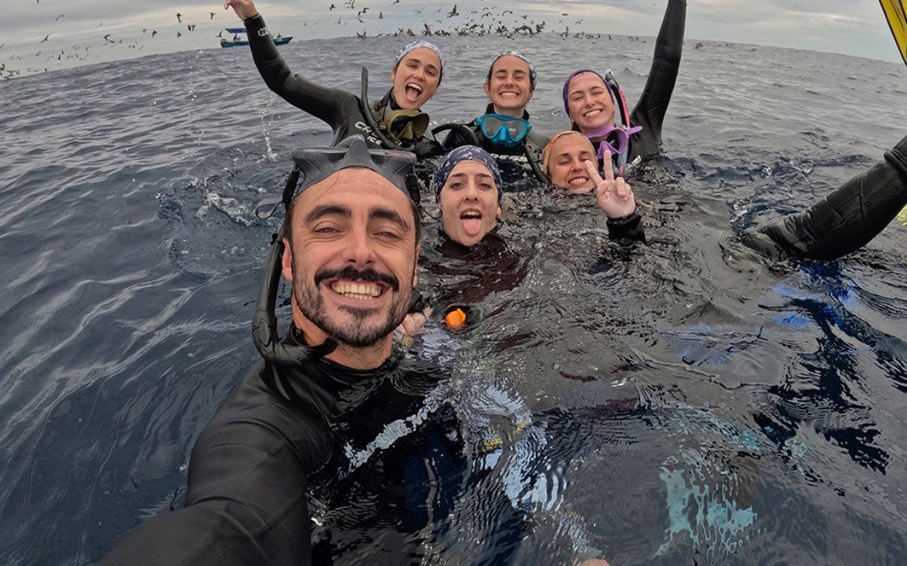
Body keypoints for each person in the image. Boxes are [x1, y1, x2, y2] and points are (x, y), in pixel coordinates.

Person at [100, 137, 597, 566]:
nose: (360, 252)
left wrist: (576, 546)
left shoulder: (430, 353)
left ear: (414, 266)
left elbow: (511, 436)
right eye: (328, 227)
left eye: (387, 232)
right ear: (288, 259)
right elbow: (225, 529)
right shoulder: (264, 429)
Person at [224, 0, 444, 158]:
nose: (420, 75)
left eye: (430, 72)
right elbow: (281, 80)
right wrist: (253, 21)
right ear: (394, 73)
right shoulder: (349, 108)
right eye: (412, 65)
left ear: (434, 90)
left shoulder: (428, 145)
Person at [562, 0, 688, 172]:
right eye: (577, 97)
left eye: (597, 92)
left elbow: (667, 59)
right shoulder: (563, 157)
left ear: (613, 101)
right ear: (570, 113)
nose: (589, 102)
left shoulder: (644, 127)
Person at [441, 51, 550, 179]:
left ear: (531, 90)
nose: (509, 82)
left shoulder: (543, 146)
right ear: (487, 87)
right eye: (501, 76)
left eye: (519, 77)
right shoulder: (461, 137)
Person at [542, 131, 646, 243]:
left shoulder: (628, 200)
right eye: (564, 162)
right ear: (548, 173)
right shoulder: (536, 211)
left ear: (596, 166)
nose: (577, 167)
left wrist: (624, 220)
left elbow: (636, 254)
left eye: (585, 159)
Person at [433, 145, 505, 248]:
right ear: (439, 203)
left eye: (484, 185)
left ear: (498, 206)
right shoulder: (415, 249)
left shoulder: (526, 249)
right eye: (456, 185)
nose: (471, 194)